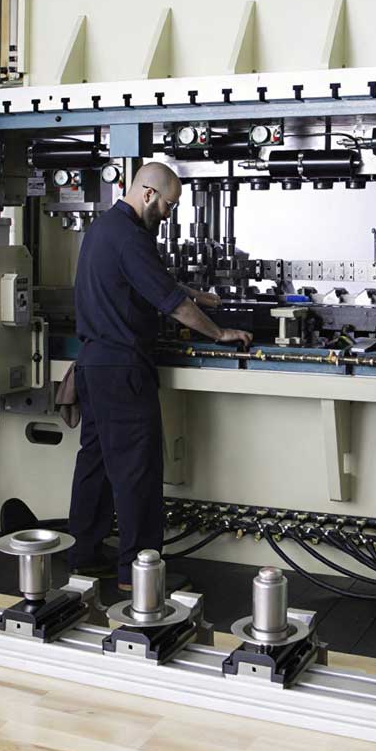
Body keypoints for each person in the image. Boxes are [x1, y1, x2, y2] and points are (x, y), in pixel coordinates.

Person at [68, 161, 252, 590]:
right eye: (169, 205)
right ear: (149, 194)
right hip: (123, 368)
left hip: (93, 365)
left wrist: (196, 293)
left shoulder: (103, 229)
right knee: (137, 471)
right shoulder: (132, 237)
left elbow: (147, 281)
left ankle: (84, 555)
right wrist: (219, 330)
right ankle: (138, 574)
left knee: (94, 464)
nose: (169, 215)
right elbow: (173, 306)